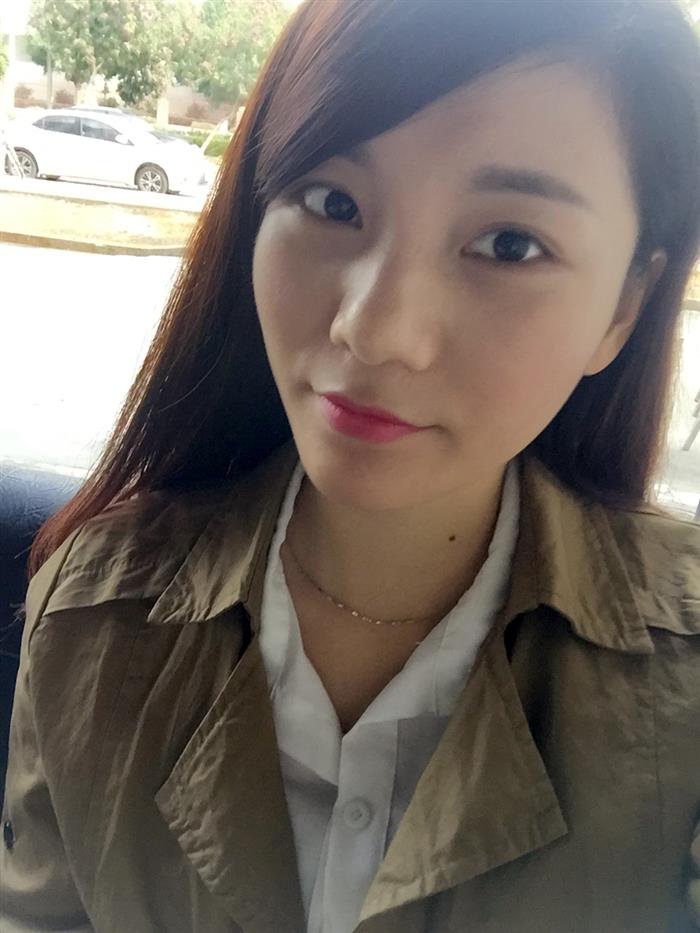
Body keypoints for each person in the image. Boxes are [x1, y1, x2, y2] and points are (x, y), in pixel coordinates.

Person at [2, 1, 700, 930]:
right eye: (335, 203)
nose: (375, 330)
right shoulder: (91, 610)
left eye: (509, 244)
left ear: (624, 307)